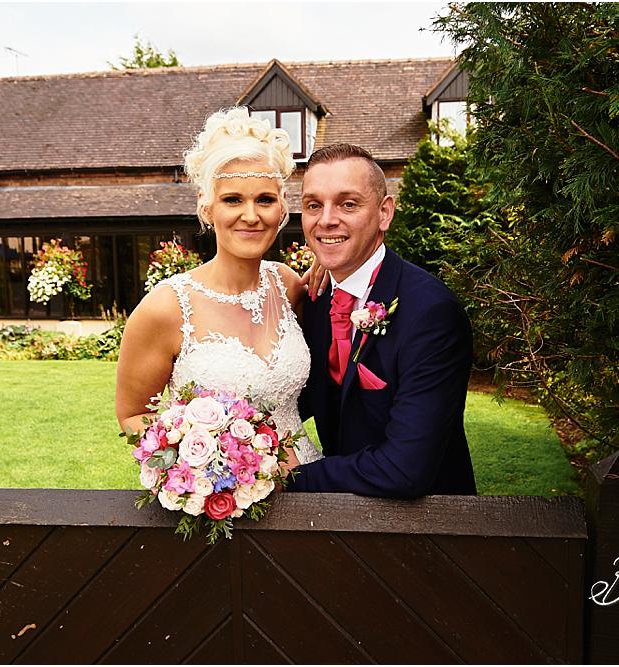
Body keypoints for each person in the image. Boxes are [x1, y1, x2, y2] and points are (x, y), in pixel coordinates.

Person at [115, 107, 321, 466]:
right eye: (233, 200)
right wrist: (204, 470)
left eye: (265, 199)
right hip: (224, 500)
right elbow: (133, 416)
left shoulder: (289, 286)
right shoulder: (166, 307)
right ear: (207, 207)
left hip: (312, 482)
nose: (251, 215)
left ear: (282, 208)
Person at [289, 143, 477, 497]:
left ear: (384, 212)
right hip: (335, 526)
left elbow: (405, 469)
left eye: (348, 204)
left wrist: (291, 478)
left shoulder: (430, 312)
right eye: (313, 205)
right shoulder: (314, 298)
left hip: (428, 530)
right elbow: (300, 397)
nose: (326, 219)